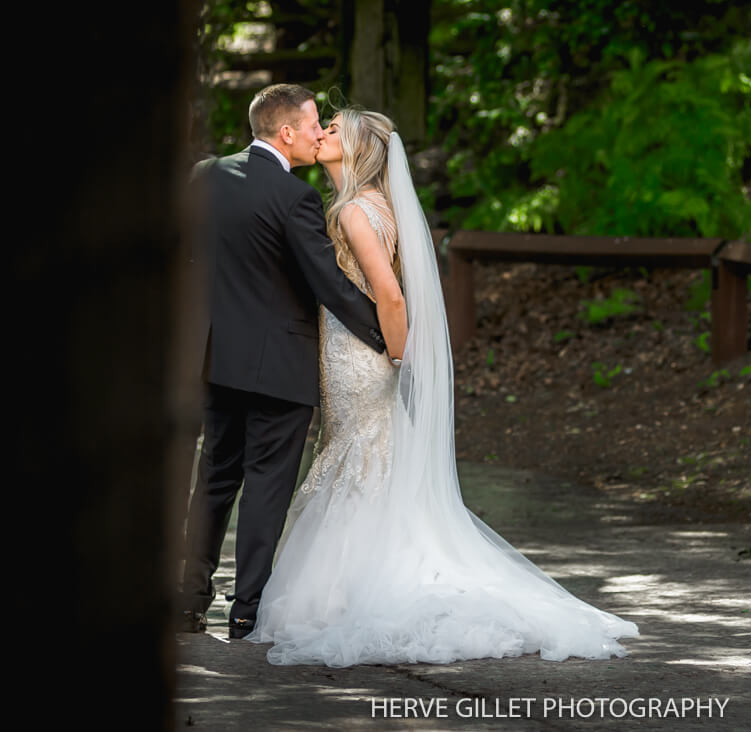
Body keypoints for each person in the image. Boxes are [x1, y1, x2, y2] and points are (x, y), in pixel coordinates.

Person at [247, 107, 639, 665]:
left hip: (359, 357)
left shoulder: (358, 212)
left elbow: (393, 296)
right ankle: (355, 580)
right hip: (351, 354)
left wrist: (400, 355)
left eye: (333, 129)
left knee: (361, 466)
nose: (321, 133)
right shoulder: (374, 208)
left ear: (357, 148)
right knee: (370, 464)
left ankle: (348, 593)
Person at [179, 85, 388, 639]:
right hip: (280, 367)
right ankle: (245, 610)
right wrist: (387, 335)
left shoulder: (206, 175)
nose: (321, 132)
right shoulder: (293, 197)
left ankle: (189, 599)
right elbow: (329, 284)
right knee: (267, 485)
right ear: (286, 132)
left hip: (213, 358)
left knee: (215, 480)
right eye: (315, 123)